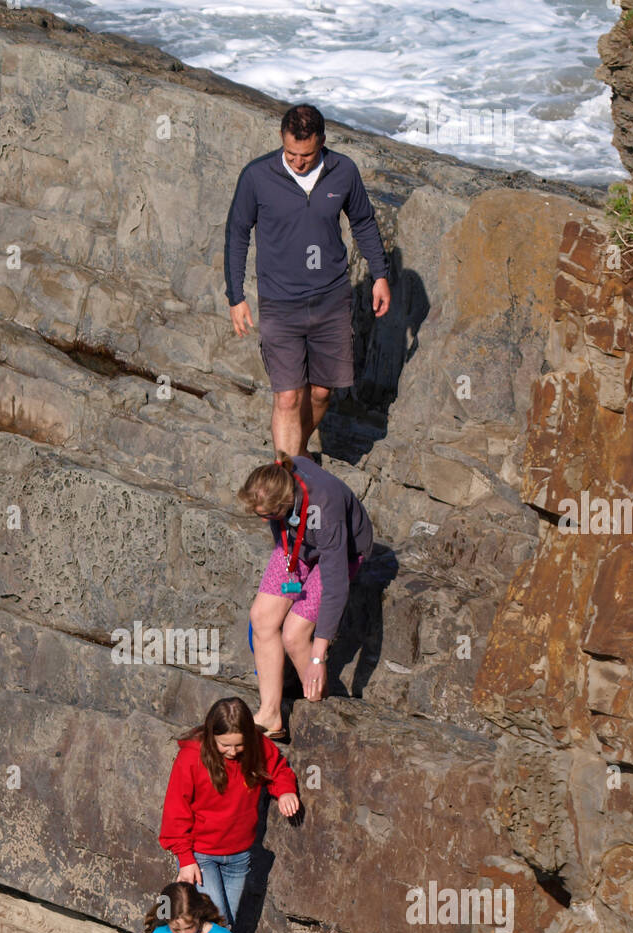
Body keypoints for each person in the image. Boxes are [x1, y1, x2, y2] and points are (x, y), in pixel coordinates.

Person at [224, 103, 391, 458]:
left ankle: (295, 453)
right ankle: (288, 477)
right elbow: (237, 233)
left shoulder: (343, 171)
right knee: (287, 395)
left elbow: (363, 221)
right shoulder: (257, 177)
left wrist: (380, 275)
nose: (298, 162)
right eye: (290, 153)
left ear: (322, 143)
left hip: (331, 299)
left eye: (306, 154)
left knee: (320, 393)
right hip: (279, 301)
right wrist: (235, 296)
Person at [239, 452, 373, 736]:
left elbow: (336, 586)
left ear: (286, 502)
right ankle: (270, 713)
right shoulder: (280, 476)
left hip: (342, 552)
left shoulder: (326, 504)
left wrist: (317, 656)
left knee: (295, 634)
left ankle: (316, 712)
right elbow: (282, 527)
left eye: (267, 515)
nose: (263, 522)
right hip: (297, 545)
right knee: (261, 617)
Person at [159, 696, 299, 927]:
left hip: (239, 856)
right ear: (211, 735)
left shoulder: (258, 746)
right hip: (201, 856)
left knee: (223, 924)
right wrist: (185, 858)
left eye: (239, 744)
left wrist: (285, 791)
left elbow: (278, 770)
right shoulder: (190, 758)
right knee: (218, 925)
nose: (233, 752)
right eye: (225, 745)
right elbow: (176, 811)